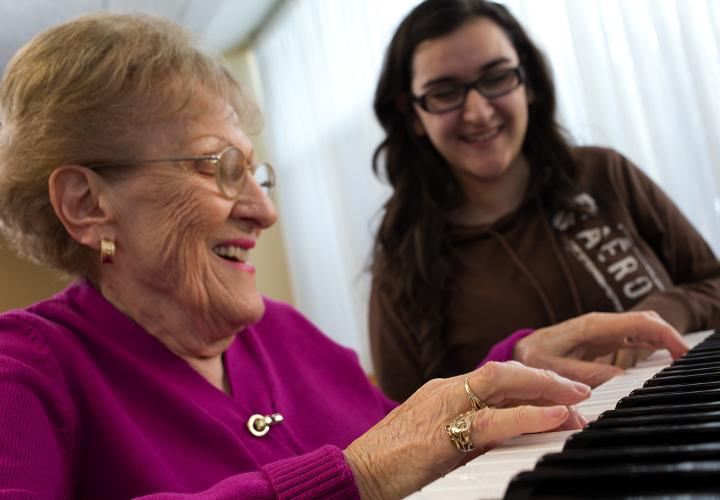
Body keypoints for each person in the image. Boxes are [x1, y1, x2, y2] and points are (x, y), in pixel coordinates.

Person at [0, 11, 689, 500]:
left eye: (255, 173)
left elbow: (400, 440)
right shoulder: (27, 367)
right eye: (218, 169)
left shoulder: (282, 331)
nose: (264, 211)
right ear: (88, 205)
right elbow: (370, 465)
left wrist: (511, 369)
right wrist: (352, 482)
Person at [369, 0, 720, 402]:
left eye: (497, 77)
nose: (479, 112)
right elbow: (403, 422)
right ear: (412, 114)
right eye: (445, 93)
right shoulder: (400, 258)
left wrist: (669, 307)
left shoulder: (605, 173)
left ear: (529, 82)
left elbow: (712, 282)